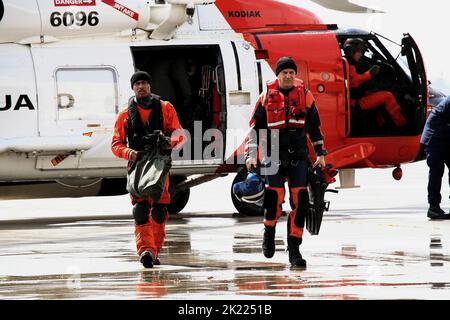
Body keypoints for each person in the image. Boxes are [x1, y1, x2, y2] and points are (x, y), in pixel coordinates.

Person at [245, 57, 327, 268]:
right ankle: (269, 233)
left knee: (300, 202)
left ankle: (295, 249)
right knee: (273, 199)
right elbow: (254, 129)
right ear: (278, 75)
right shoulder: (265, 98)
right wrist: (250, 155)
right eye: (284, 73)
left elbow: (315, 128)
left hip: (299, 155)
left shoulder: (306, 97)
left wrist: (320, 153)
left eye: (292, 72)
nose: (288, 76)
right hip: (273, 154)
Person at [111, 71, 185, 268]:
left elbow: (179, 134)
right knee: (140, 210)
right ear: (133, 88)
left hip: (159, 162)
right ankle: (146, 250)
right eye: (137, 84)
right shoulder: (124, 115)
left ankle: (155, 249)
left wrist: (168, 141)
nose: (141, 86)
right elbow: (116, 144)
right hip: (137, 163)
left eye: (144, 83)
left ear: (150, 86)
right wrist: (128, 152)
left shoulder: (165, 108)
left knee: (160, 210)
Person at [343, 38, 407, 128]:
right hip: (355, 102)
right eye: (359, 52)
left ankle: (381, 125)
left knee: (376, 93)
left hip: (356, 98)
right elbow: (354, 82)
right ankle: (402, 125)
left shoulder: (350, 64)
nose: (361, 55)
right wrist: (370, 73)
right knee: (388, 96)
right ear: (351, 51)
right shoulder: (347, 65)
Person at [420, 96, 450, 219]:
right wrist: (424, 142)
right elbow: (433, 119)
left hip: (446, 136)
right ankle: (433, 207)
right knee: (436, 171)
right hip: (435, 137)